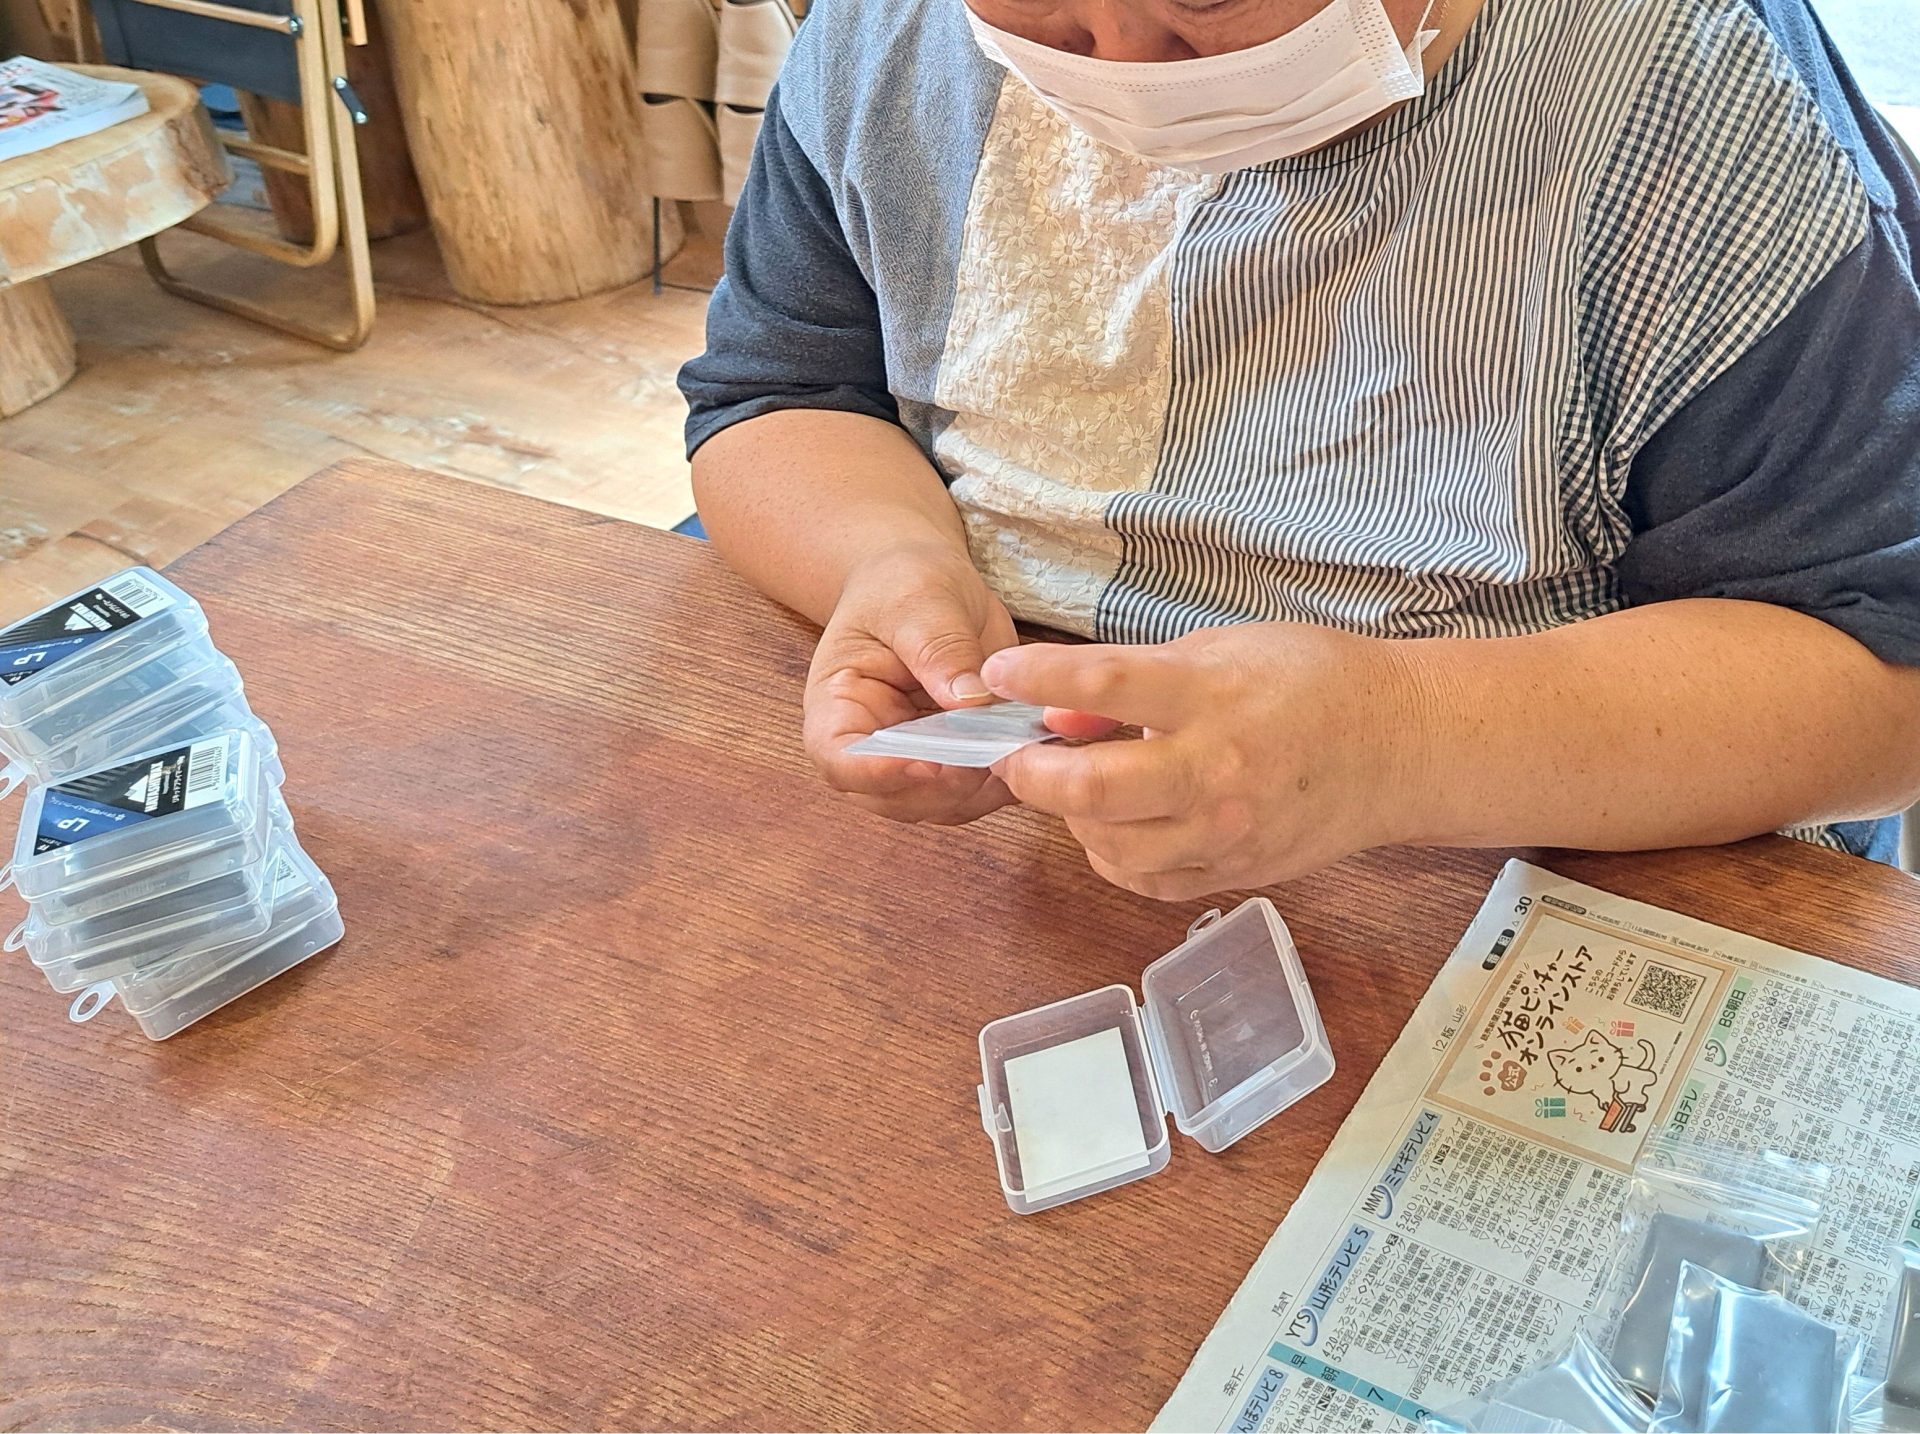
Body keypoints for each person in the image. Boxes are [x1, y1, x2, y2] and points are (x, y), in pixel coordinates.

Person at [678, 0, 1920, 900]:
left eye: (1208, 4)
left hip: (1513, 840)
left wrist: (1397, 741)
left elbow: (1879, 684)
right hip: (1009, 838)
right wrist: (889, 561)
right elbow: (780, 392)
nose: (1120, 68)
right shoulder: (888, 36)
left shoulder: (1688, 104)